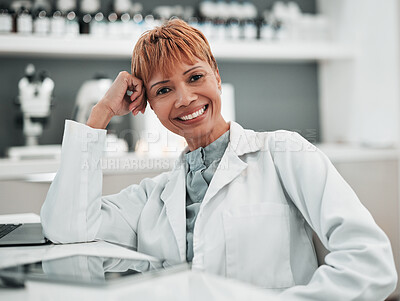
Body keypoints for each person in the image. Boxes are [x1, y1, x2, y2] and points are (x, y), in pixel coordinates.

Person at [41, 19, 397, 300]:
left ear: (217, 76)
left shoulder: (285, 153)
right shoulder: (153, 197)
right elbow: (66, 230)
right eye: (163, 90)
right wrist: (100, 115)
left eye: (195, 77)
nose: (184, 98)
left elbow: (370, 263)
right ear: (147, 104)